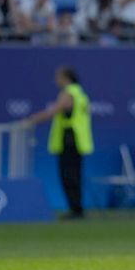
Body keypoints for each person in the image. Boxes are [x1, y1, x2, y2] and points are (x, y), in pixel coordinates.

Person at [25, 66, 94, 219]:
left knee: (68, 175)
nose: (56, 81)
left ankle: (75, 209)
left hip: (70, 139)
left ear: (66, 78)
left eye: (58, 78)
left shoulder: (69, 93)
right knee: (74, 174)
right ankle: (76, 208)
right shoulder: (81, 94)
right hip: (79, 141)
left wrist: (32, 120)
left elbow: (54, 111)